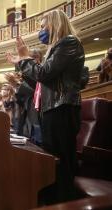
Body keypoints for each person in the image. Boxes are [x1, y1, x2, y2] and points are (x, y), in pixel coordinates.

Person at [6, 9, 84, 202]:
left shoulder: (69, 42)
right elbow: (41, 83)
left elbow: (43, 73)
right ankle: (53, 200)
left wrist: (24, 58)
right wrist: (22, 65)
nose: (40, 31)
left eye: (42, 26)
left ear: (54, 24)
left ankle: (65, 202)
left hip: (62, 110)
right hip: (52, 110)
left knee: (61, 164)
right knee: (51, 163)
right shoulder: (56, 49)